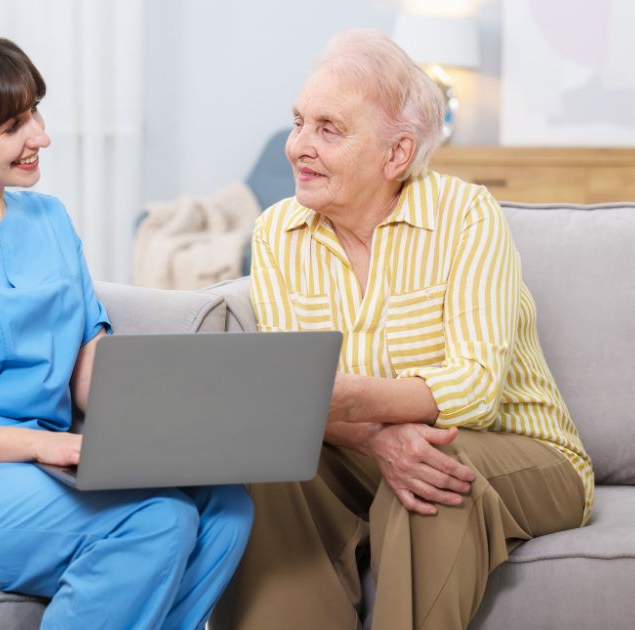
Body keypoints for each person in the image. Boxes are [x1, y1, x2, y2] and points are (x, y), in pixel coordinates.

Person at [0, 31, 252, 630]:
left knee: (226, 505)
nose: (40, 137)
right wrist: (37, 444)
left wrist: (179, 424)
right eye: (12, 127)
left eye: (35, 113)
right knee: (156, 520)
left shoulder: (51, 220)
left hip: (35, 470)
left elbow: (87, 368)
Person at [221, 29, 593, 630]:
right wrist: (377, 438)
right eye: (298, 123)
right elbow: (297, 399)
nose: (298, 147)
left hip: (523, 450)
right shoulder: (276, 234)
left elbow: (475, 389)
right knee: (265, 470)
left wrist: (347, 399)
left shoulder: (467, 215)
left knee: (433, 476)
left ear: (397, 154)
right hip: (361, 450)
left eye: (328, 129)